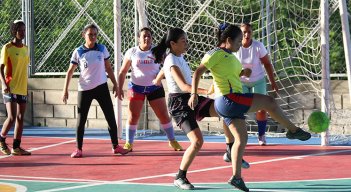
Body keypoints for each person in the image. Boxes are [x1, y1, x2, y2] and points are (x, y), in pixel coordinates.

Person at [189, 23, 311, 192]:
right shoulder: (215, 54)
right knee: (270, 102)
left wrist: (243, 73)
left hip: (229, 103)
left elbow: (228, 73)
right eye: (238, 41)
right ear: (228, 40)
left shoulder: (230, 55)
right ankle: (293, 130)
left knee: (241, 139)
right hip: (229, 99)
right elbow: (198, 72)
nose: (241, 44)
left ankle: (236, 178)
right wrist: (194, 94)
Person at [152, 27, 249, 190]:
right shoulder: (171, 61)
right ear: (173, 44)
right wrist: (202, 91)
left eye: (187, 40)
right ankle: (180, 176)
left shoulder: (177, 57)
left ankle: (229, 150)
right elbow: (183, 86)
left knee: (223, 109)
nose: (187, 43)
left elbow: (165, 70)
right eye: (183, 41)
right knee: (197, 141)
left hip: (191, 97)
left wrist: (157, 79)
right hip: (180, 104)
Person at [62, 24, 128, 158]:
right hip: (85, 89)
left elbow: (109, 69)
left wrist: (115, 84)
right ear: (83, 35)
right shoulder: (78, 51)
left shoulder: (102, 49)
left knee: (110, 116)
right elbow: (70, 72)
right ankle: (78, 149)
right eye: (90, 34)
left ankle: (115, 146)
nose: (93, 37)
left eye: (95, 34)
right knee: (81, 120)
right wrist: (65, 90)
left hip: (101, 87)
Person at [118, 27, 182, 152]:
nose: (147, 38)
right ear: (138, 38)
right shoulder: (132, 52)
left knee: (163, 115)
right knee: (133, 115)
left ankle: (172, 140)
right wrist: (119, 88)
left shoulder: (157, 51)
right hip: (136, 88)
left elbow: (168, 66)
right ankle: (129, 143)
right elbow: (123, 71)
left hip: (154, 88)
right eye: (144, 36)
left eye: (149, 36)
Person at [235, 23, 279, 146]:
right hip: (241, 81)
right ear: (240, 34)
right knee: (239, 110)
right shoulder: (235, 48)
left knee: (261, 109)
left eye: (249, 32)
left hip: (258, 80)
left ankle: (261, 135)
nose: (247, 34)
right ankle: (240, 137)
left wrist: (273, 82)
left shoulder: (258, 46)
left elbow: (267, 64)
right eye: (244, 32)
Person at [0, 20, 31, 156]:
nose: (22, 32)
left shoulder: (26, 48)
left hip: (22, 88)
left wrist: (25, 86)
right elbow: (0, 69)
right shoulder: (7, 47)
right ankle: (1, 140)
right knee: (12, 117)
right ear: (14, 31)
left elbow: (23, 68)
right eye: (20, 30)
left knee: (20, 117)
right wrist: (5, 84)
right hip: (9, 87)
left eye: (24, 30)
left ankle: (16, 147)